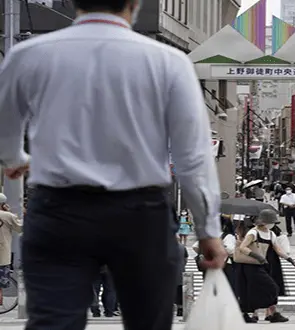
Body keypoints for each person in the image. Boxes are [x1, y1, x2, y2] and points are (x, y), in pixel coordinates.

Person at [0, 0, 229, 328]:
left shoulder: (29, 54)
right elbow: (192, 158)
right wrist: (209, 231)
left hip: (59, 209)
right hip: (140, 213)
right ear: (135, 3)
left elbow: (5, 130)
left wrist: (17, 159)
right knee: (147, 321)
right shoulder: (168, 61)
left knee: (53, 321)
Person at [234, 209, 295, 323]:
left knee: (266, 289)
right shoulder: (253, 232)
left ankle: (269, 313)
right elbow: (243, 247)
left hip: (264, 264)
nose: (273, 224)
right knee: (269, 288)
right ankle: (253, 313)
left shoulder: (271, 233)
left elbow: (277, 249)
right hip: (251, 265)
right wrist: (257, 256)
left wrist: (289, 260)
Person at [0, 194, 22, 307]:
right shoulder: (8, 216)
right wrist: (13, 214)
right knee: (2, 281)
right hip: (3, 254)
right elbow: (19, 228)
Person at [175, 241, 188, 317]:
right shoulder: (182, 247)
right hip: (180, 271)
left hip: (169, 273)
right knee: (180, 291)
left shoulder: (166, 246)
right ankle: (180, 309)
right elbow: (186, 259)